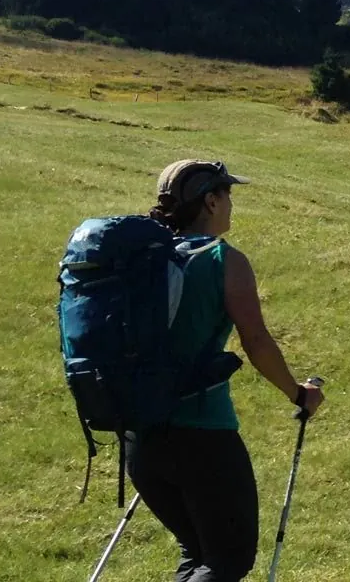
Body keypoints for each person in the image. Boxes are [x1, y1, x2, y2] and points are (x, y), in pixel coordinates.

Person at [133, 159, 325, 581]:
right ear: (211, 200)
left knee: (199, 551)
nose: (232, 205)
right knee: (228, 560)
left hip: (139, 435)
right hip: (201, 433)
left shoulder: (141, 258)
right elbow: (255, 343)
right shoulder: (223, 259)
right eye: (228, 195)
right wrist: (298, 393)